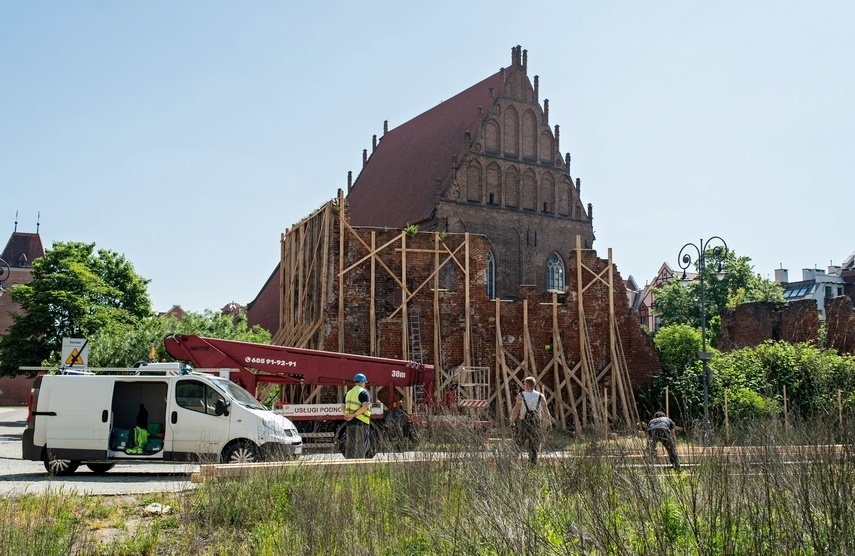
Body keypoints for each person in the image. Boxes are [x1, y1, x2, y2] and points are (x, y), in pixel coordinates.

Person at [510, 376, 552, 464]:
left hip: (523, 423)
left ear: (528, 385)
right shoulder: (541, 396)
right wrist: (548, 424)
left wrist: (512, 422)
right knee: (534, 447)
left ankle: (512, 462)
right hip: (536, 424)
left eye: (525, 384)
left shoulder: (521, 395)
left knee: (517, 443)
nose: (524, 386)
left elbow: (516, 410)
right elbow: (546, 412)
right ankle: (533, 464)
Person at [341, 372, 371, 459]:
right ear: (362, 382)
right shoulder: (364, 392)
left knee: (350, 444)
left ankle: (349, 465)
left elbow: (342, 406)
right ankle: (359, 467)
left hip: (349, 422)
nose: (365, 384)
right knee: (360, 445)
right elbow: (365, 407)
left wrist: (347, 415)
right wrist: (353, 415)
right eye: (365, 382)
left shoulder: (348, 393)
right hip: (361, 422)